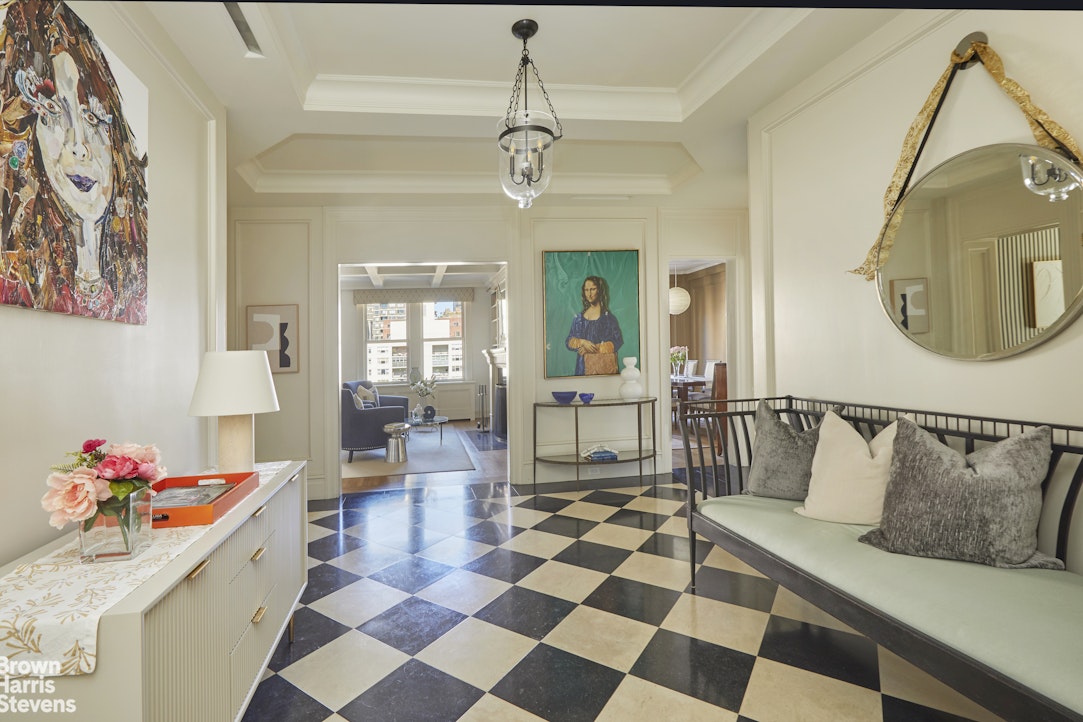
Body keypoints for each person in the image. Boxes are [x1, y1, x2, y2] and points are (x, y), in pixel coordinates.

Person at [0, 0, 148, 323]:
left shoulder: (134, 292)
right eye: (52, 112)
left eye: (92, 117)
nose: (78, 146)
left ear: (117, 143)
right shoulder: (12, 284)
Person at [565, 275, 623, 375]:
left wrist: (594, 348)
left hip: (602, 370)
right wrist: (583, 342)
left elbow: (618, 341)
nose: (589, 294)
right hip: (582, 368)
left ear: (599, 291)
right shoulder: (578, 318)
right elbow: (568, 342)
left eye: (592, 289)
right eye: (586, 290)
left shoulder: (608, 318)